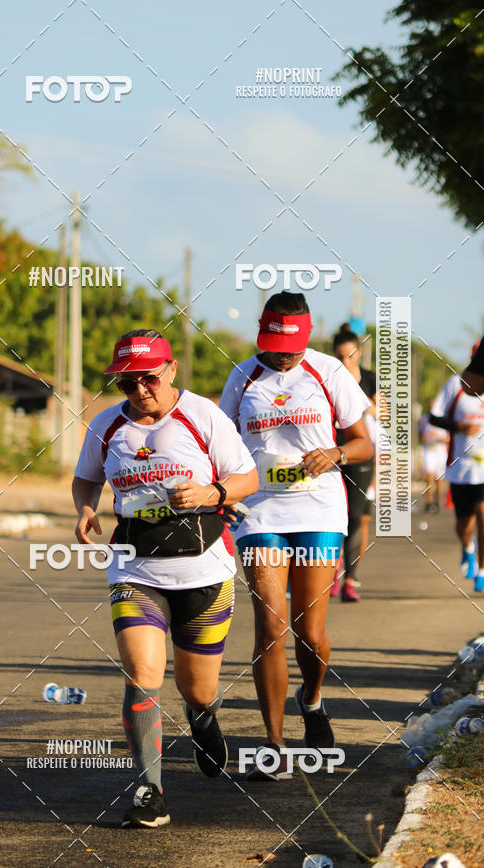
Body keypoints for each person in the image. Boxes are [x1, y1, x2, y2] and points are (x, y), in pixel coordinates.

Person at [72, 330, 257, 827]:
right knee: (142, 675)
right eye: (128, 382)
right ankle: (150, 789)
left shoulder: (203, 416)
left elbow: (248, 478)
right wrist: (87, 509)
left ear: (171, 370)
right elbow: (86, 476)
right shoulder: (107, 425)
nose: (139, 390)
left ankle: (203, 719)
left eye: (148, 378)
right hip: (135, 567)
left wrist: (213, 492)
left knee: (197, 689)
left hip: (204, 570)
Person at [219, 293, 373, 778]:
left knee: (310, 631)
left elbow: (366, 441)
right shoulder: (242, 377)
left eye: (291, 348)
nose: (284, 357)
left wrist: (337, 454)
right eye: (275, 347)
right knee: (270, 627)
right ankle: (273, 745)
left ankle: (312, 699)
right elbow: (218, 440)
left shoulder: (330, 373)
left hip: (320, 511)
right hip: (259, 511)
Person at [331, 323, 378, 602]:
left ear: (358, 353)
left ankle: (351, 579)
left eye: (349, 356)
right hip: (332, 452)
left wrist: (366, 403)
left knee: (355, 517)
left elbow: (381, 412)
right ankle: (334, 572)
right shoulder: (329, 379)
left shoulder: (370, 379)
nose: (344, 361)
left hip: (361, 453)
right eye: (338, 357)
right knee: (333, 516)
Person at [430, 356, 484, 591]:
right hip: (460, 468)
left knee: (483, 515)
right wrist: (459, 426)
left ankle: (482, 571)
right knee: (463, 524)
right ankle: (468, 547)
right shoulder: (456, 384)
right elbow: (434, 417)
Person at [418, 402, 449, 514]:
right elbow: (421, 435)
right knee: (429, 477)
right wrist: (425, 437)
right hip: (429, 451)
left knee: (439, 479)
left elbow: (449, 439)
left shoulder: (445, 418)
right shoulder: (424, 419)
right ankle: (428, 502)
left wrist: (438, 438)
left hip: (440, 451)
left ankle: (437, 502)